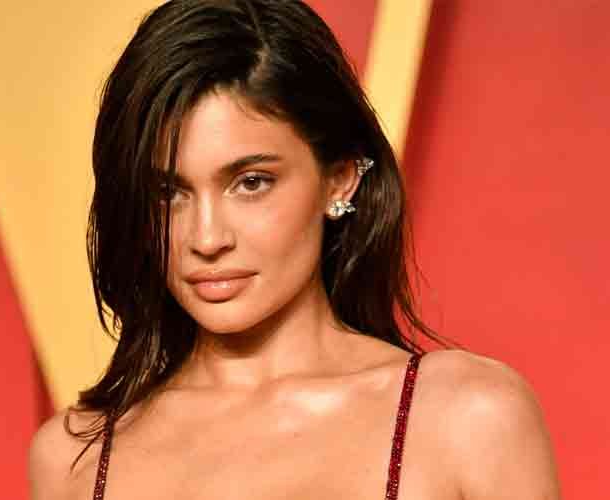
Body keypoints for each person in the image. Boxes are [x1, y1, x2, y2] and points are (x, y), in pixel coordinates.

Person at [28, 1, 561, 498]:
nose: (206, 239)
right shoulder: (75, 458)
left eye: (251, 182)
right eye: (169, 193)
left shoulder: (468, 419)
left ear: (340, 178)